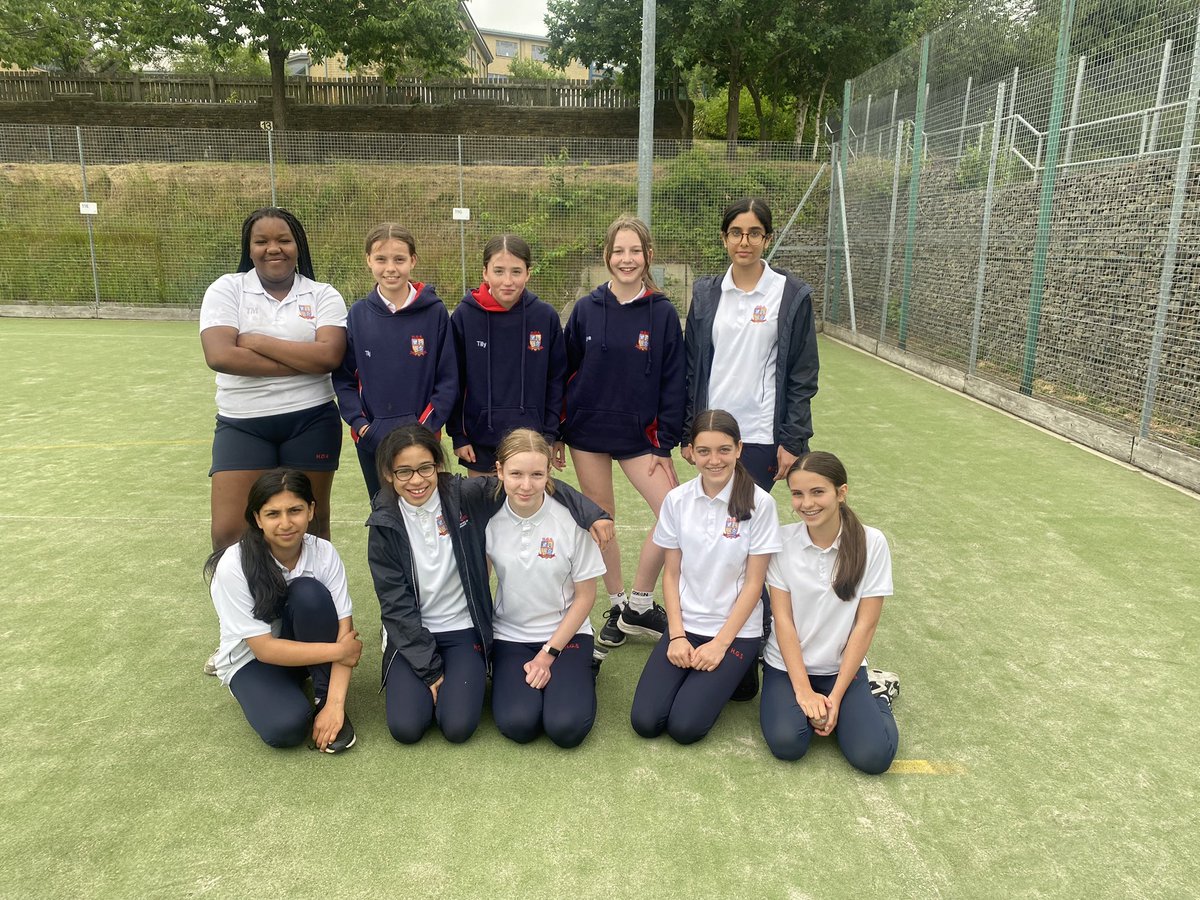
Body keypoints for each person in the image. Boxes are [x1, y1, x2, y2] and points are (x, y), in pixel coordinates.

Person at [368, 424, 612, 745]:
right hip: (414, 632)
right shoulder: (384, 522)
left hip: (463, 627)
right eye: (404, 471)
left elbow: (532, 481)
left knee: (459, 728)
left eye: (425, 468)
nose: (416, 480)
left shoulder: (462, 497)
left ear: (438, 466)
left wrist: (591, 512)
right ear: (388, 474)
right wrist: (429, 670)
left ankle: (578, 672)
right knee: (406, 729)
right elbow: (394, 604)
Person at [199, 207, 347, 675]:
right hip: (243, 422)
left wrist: (257, 340)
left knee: (311, 526)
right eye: (262, 241)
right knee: (228, 531)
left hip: (311, 420)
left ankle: (308, 634)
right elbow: (219, 354)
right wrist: (301, 361)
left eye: (282, 239)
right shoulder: (227, 289)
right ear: (249, 247)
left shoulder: (322, 294)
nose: (273, 249)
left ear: (297, 243)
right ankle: (239, 635)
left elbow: (329, 356)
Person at [561, 215, 685, 653]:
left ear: (648, 256)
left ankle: (639, 600)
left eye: (635, 251)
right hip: (588, 432)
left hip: (641, 438)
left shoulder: (664, 313)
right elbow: (564, 369)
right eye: (618, 251)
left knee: (675, 514)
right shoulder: (586, 309)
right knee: (603, 520)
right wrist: (558, 431)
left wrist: (663, 442)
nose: (626, 259)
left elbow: (674, 381)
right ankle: (616, 605)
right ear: (607, 256)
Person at [630, 410, 782, 744]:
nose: (714, 460)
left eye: (724, 449)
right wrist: (677, 635)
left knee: (685, 728)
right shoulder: (677, 500)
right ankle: (718, 676)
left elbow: (755, 584)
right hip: (686, 626)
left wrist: (720, 645)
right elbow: (671, 575)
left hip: (734, 633)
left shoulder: (761, 504)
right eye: (704, 451)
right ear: (691, 453)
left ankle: (741, 671)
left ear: (739, 448)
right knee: (646, 721)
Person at [760, 452, 900, 774]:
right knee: (788, 743)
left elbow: (865, 625)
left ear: (841, 492)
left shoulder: (871, 542)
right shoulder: (782, 541)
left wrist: (835, 698)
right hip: (786, 666)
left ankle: (878, 695)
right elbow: (783, 621)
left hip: (842, 670)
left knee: (873, 758)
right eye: (797, 493)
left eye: (817, 492)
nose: (806, 503)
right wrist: (804, 691)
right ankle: (815, 704)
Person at [204, 470, 361, 752]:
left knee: (308, 593)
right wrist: (340, 653)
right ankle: (274, 690)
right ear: (257, 518)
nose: (286, 523)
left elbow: (343, 631)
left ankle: (321, 695)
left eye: (295, 510)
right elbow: (265, 650)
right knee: (286, 729)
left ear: (311, 510)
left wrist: (335, 706)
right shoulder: (234, 566)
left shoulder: (324, 553)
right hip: (251, 660)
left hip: (302, 647)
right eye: (273, 513)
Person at [683, 197, 819, 490]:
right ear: (724, 238)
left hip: (761, 436)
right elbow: (692, 369)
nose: (744, 241)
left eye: (754, 233)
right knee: (716, 520)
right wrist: (688, 434)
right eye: (736, 232)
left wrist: (792, 439)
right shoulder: (706, 295)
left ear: (767, 239)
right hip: (712, 432)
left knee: (744, 520)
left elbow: (803, 376)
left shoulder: (790, 295)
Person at [486, 429, 606, 748]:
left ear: (548, 473)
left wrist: (548, 655)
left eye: (536, 474)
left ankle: (583, 669)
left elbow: (586, 596)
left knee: (566, 728)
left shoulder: (573, 519)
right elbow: (479, 581)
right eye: (516, 474)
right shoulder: (488, 518)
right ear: (499, 471)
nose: (526, 485)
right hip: (510, 635)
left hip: (566, 635)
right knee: (519, 724)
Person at [334, 223, 457, 499]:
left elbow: (448, 378)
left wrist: (425, 429)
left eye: (399, 259)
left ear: (412, 261)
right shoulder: (358, 314)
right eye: (381, 259)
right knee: (384, 514)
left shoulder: (434, 312)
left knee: (426, 512)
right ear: (368, 260)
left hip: (422, 440)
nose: (391, 268)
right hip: (373, 440)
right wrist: (362, 425)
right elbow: (344, 378)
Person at [448, 234, 566, 477]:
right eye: (499, 271)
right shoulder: (465, 316)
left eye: (516, 271)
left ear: (528, 273)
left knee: (528, 510)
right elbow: (453, 379)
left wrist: (551, 434)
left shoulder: (545, 317)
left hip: (533, 441)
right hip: (480, 441)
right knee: (482, 512)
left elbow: (556, 380)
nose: (508, 281)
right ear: (485, 273)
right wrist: (459, 435)